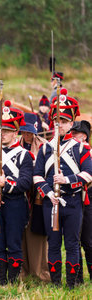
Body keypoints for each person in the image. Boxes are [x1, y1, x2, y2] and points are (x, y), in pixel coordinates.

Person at [33, 89, 92, 289]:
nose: (60, 124)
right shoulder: (45, 148)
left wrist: (66, 179)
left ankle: (72, 283)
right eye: (57, 120)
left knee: (73, 244)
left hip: (74, 201)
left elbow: (88, 174)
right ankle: (56, 281)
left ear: (71, 123)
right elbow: (37, 175)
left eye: (65, 121)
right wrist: (49, 192)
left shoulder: (81, 148)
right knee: (54, 242)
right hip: (51, 202)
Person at [0, 100, 33, 287]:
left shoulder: (24, 155)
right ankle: (0, 282)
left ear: (15, 132)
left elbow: (26, 182)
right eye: (1, 130)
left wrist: (7, 184)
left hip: (15, 203)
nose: (3, 134)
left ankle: (12, 282)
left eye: (8, 131)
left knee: (13, 244)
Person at [18, 112, 50, 282]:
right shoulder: (16, 146)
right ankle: (22, 272)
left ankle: (40, 273)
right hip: (19, 193)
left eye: (29, 132)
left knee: (37, 234)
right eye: (23, 131)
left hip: (38, 194)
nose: (26, 135)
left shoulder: (45, 146)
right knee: (20, 234)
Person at [70, 120, 92, 283]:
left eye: (74, 134)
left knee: (88, 240)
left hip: (90, 198)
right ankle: (77, 278)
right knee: (74, 239)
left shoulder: (88, 154)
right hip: (75, 197)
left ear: (83, 137)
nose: (71, 137)